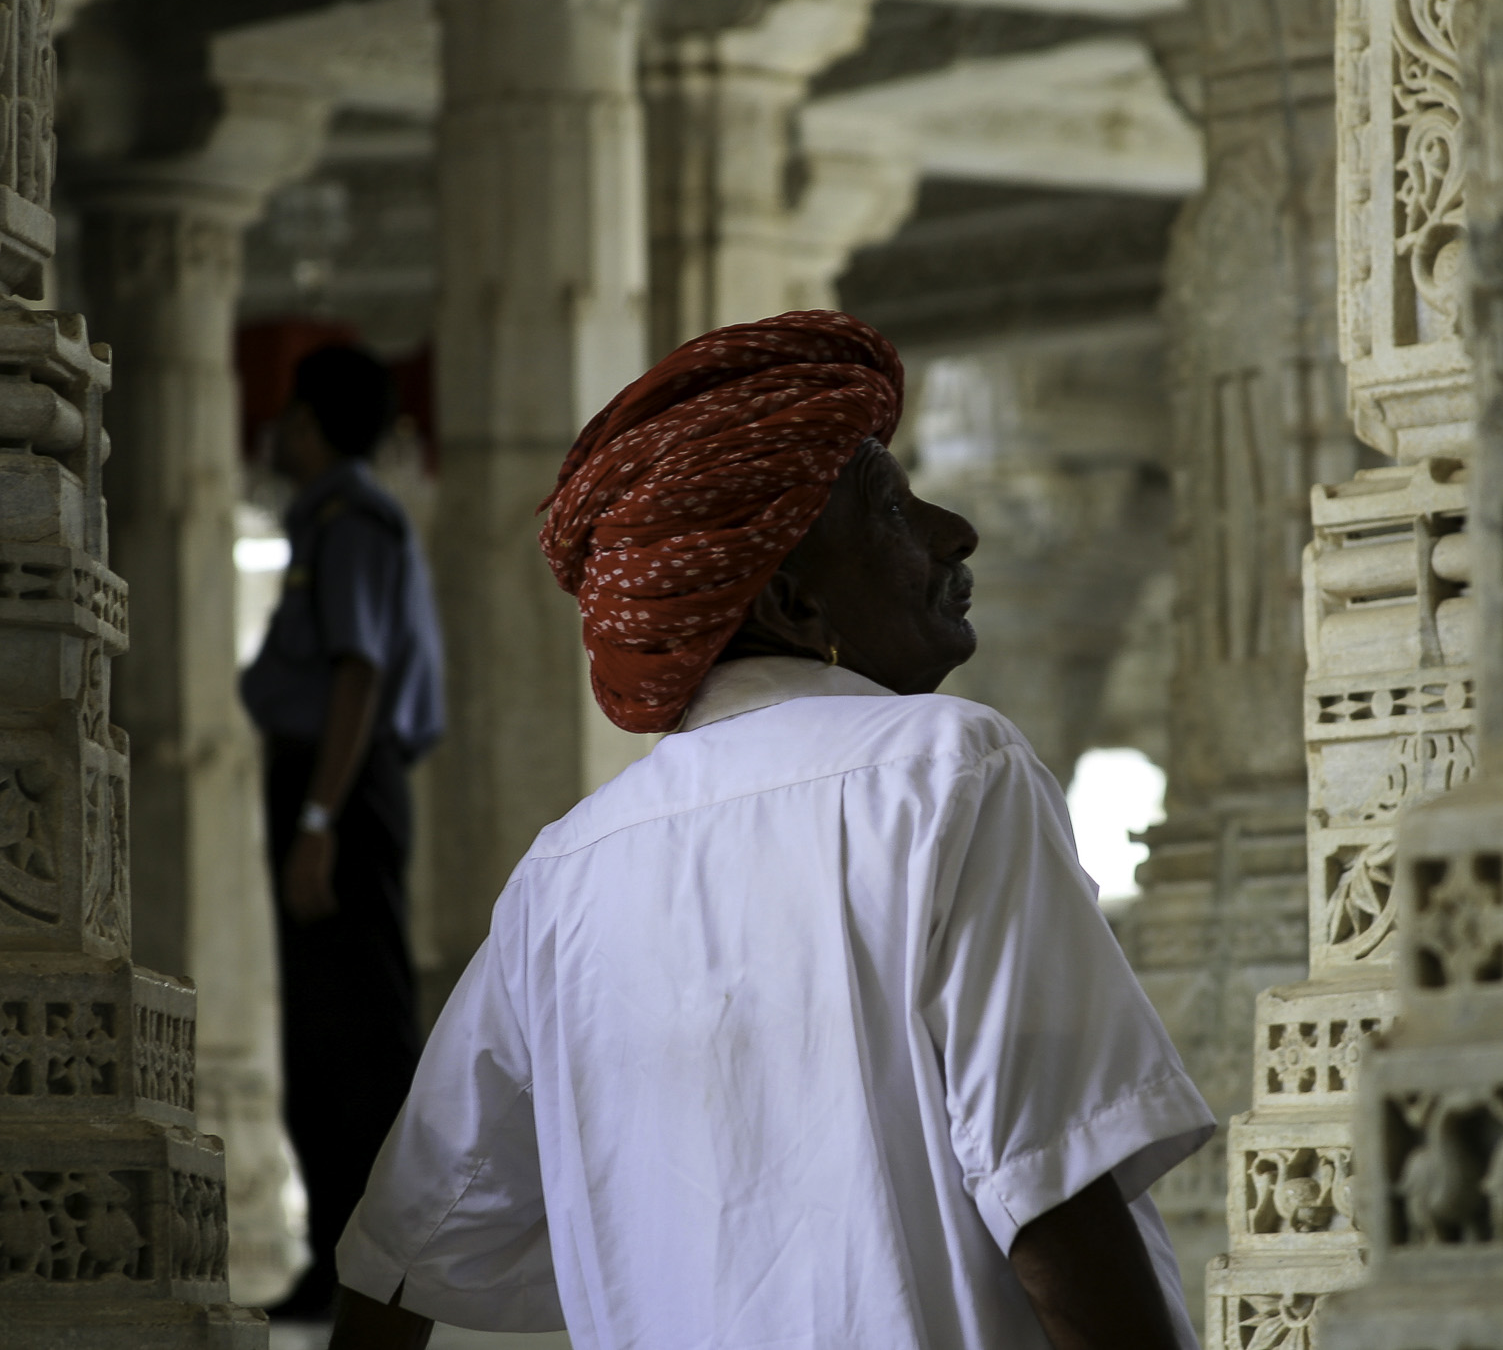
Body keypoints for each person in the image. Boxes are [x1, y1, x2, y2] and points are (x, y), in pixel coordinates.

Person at [327, 311, 1212, 1350]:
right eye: (891, 510)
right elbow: (1051, 1187)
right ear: (791, 601)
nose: (950, 530)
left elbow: (403, 1254)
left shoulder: (565, 873)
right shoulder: (943, 770)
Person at [239, 344, 446, 1320]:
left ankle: (384, 1268)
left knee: (357, 1029)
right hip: (327, 782)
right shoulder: (329, 519)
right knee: (325, 1030)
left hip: (341, 786)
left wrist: (319, 820)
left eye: (285, 417)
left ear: (312, 426)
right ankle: (341, 1260)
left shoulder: (347, 518)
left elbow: (358, 676)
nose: (272, 435)